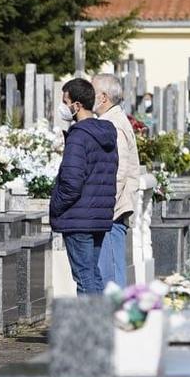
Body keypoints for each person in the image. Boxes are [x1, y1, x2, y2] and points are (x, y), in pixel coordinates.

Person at [49, 77, 119, 295]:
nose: (63, 106)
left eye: (65, 101)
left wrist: (56, 207)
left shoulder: (79, 136)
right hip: (98, 215)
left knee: (84, 277)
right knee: (92, 274)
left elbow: (71, 181)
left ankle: (91, 327)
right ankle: (100, 324)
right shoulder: (106, 133)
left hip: (78, 217)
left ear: (77, 105)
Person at [92, 72, 141, 288]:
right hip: (110, 209)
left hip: (112, 210)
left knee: (111, 277)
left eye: (91, 92)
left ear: (103, 97)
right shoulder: (110, 120)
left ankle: (117, 319)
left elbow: (118, 171)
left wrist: (105, 204)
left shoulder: (114, 124)